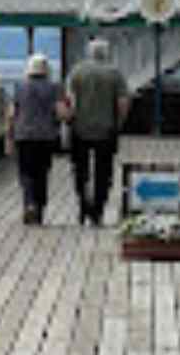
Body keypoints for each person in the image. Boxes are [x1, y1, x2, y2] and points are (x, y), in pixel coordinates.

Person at [62, 38, 131, 226]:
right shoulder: (115, 74)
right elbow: (123, 103)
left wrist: (69, 121)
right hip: (106, 130)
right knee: (104, 172)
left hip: (79, 129)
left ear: (89, 53)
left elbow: (69, 101)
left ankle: (84, 206)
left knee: (80, 171)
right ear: (106, 53)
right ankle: (98, 209)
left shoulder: (77, 72)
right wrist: (119, 123)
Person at [6, 53, 65, 225]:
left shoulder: (19, 87)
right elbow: (61, 113)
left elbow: (11, 115)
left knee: (26, 172)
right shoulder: (54, 88)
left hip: (23, 135)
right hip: (46, 136)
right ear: (46, 70)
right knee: (42, 172)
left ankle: (29, 203)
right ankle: (39, 208)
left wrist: (8, 138)